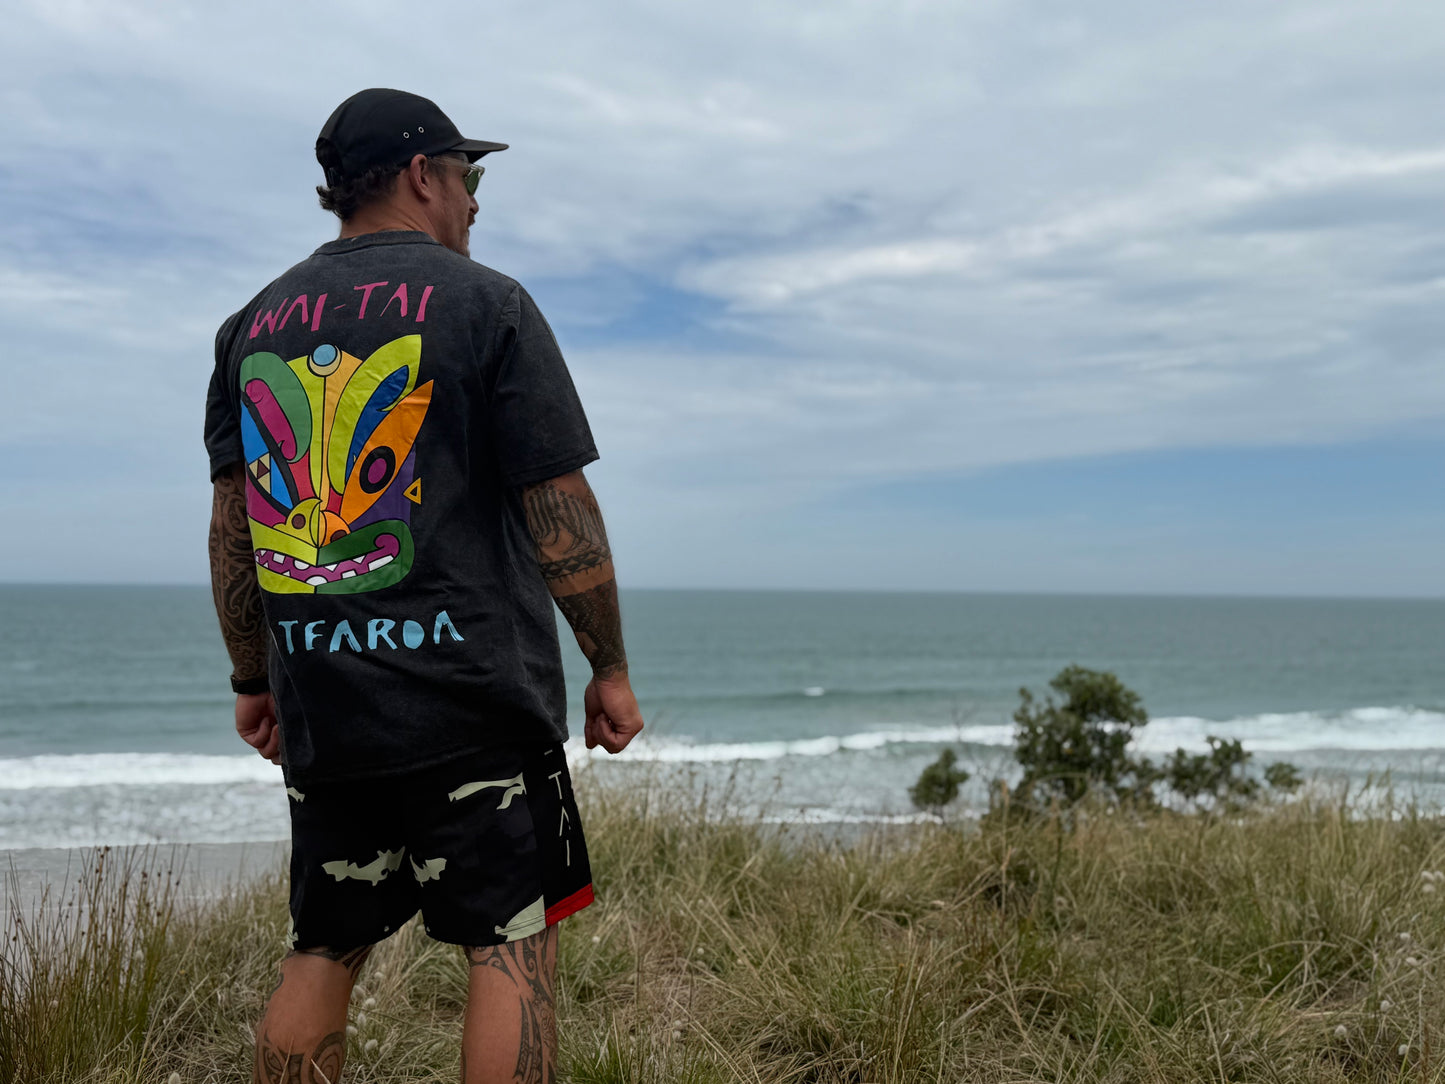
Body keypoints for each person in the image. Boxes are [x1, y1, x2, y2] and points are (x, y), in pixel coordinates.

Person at [203, 87, 644, 1084]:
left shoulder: (248, 326)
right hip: (472, 700)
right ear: (420, 175)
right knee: (510, 947)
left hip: (326, 704)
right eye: (467, 175)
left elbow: (235, 527)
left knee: (324, 944)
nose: (475, 200)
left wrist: (252, 677)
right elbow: (558, 505)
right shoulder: (488, 303)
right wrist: (609, 666)